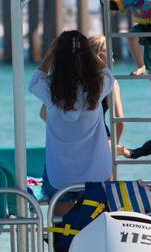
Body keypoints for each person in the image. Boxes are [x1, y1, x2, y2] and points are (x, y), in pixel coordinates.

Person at [29, 30, 114, 214]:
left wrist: (50, 55)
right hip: (96, 173)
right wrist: (92, 57)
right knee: (95, 226)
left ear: (58, 57)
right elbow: (108, 74)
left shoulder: (50, 89)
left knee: (62, 234)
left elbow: (34, 81)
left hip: (60, 174)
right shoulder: (97, 87)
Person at [87, 34, 124, 143]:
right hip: (101, 138)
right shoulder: (109, 83)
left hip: (77, 140)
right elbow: (120, 121)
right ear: (98, 56)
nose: (112, 60)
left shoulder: (72, 81)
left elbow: (44, 113)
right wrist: (114, 147)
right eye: (110, 55)